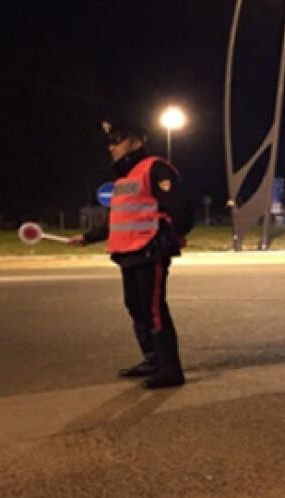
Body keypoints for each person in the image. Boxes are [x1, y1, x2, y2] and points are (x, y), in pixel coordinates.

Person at [67, 118, 194, 389]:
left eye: (117, 140)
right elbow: (118, 218)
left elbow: (181, 209)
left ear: (136, 140)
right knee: (135, 307)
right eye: (109, 142)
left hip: (149, 250)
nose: (111, 147)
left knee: (154, 309)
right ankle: (152, 359)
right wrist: (88, 238)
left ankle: (171, 369)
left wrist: (170, 238)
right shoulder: (124, 178)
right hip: (127, 253)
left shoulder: (156, 168)